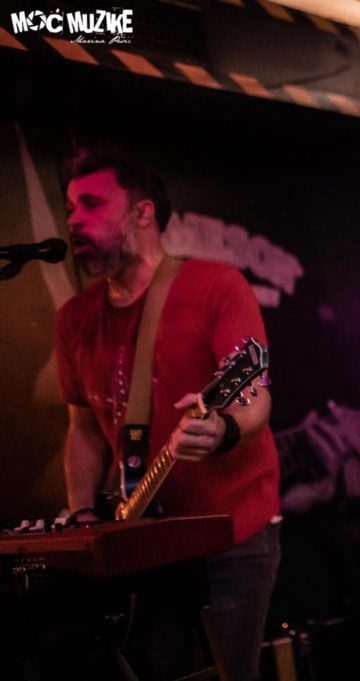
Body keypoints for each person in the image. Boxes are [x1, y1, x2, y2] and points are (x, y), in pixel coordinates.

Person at [55, 147, 281, 681]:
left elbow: (255, 397)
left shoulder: (214, 286)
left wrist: (224, 428)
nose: (74, 220)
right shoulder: (74, 319)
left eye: (91, 204)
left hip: (231, 530)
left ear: (143, 212)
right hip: (143, 536)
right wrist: (83, 514)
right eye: (69, 208)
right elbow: (84, 429)